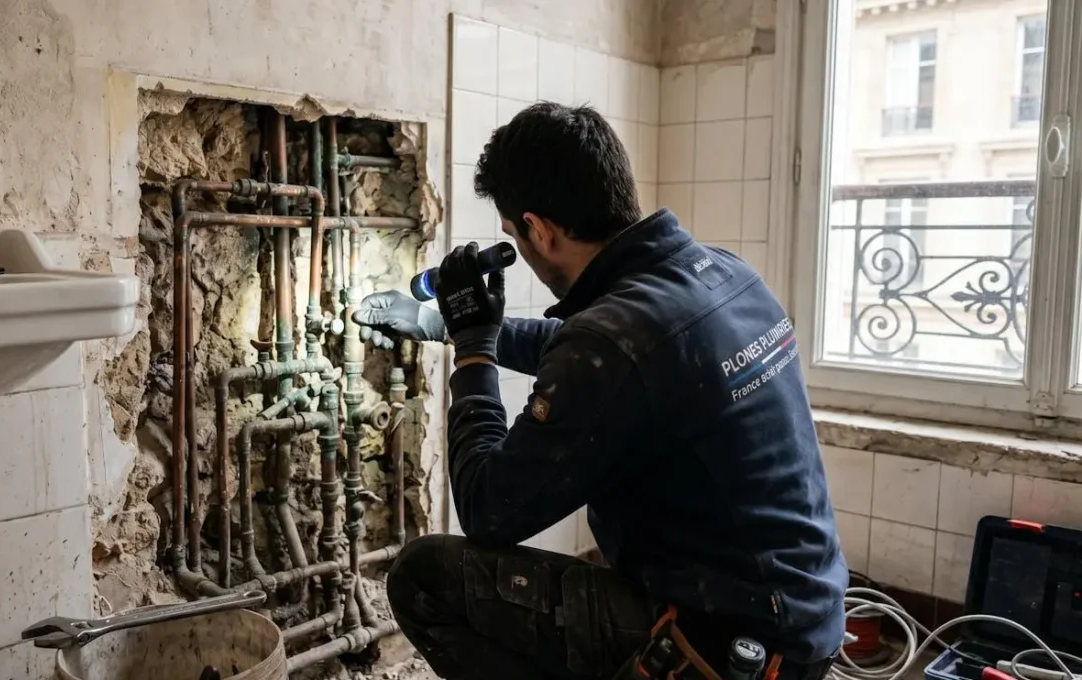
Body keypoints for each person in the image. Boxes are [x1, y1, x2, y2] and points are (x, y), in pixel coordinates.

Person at [351, 102, 847, 680]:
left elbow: (489, 509)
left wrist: (475, 352)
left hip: (726, 647)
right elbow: (593, 350)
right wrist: (443, 323)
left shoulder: (615, 340)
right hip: (803, 618)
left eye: (515, 234)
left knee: (422, 578)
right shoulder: (724, 274)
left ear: (538, 230)